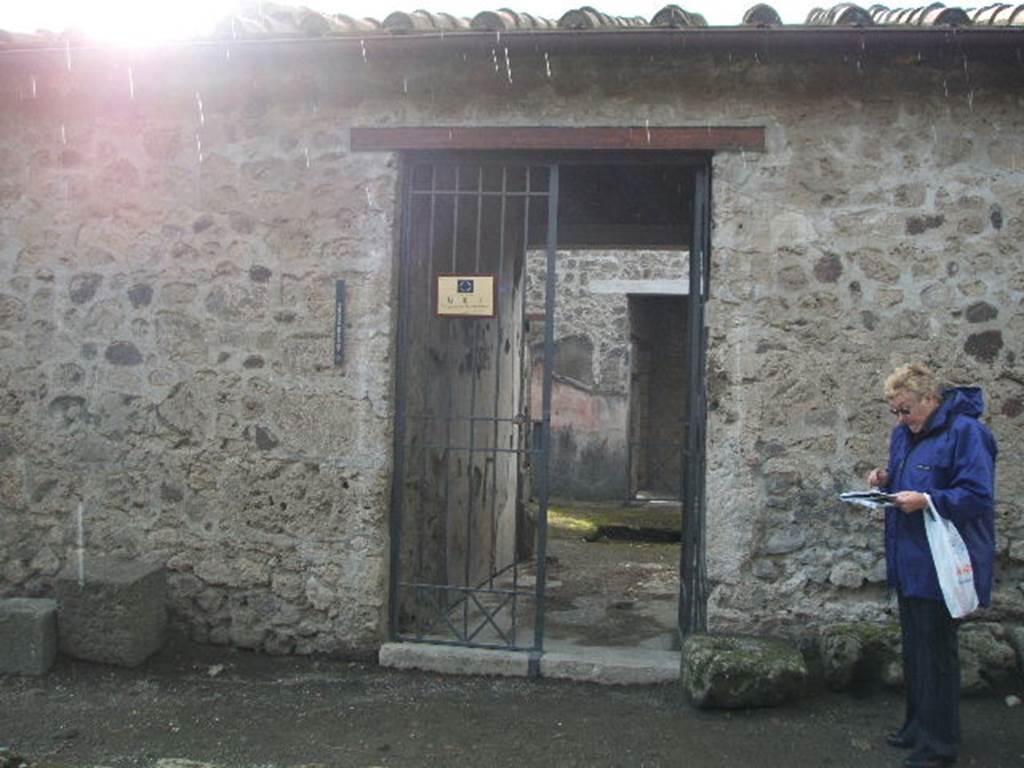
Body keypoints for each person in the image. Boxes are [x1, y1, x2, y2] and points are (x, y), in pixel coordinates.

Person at [866, 363, 997, 768]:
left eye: (906, 410)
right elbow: (909, 480)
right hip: (910, 559)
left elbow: (976, 495)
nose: (902, 419)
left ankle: (939, 745)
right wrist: (885, 480)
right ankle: (916, 727)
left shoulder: (968, 434)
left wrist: (928, 501)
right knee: (915, 651)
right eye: (896, 412)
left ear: (930, 398)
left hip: (943, 560)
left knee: (937, 654)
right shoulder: (904, 435)